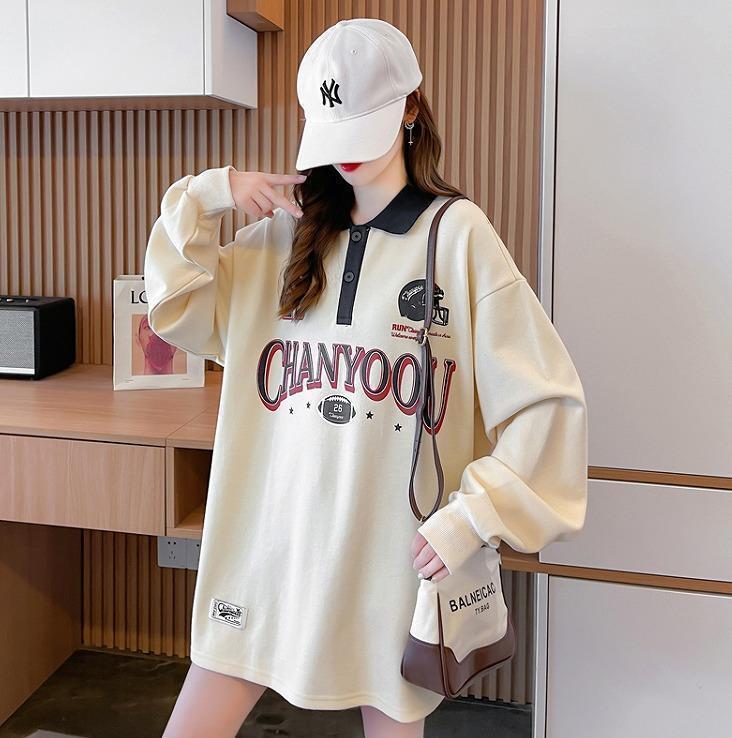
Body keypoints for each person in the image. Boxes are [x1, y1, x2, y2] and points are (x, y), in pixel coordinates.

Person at [143, 17, 588, 738]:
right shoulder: (281, 237)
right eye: (333, 132)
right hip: (266, 549)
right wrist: (210, 193)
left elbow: (548, 403)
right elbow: (177, 309)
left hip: (390, 565)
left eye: (363, 129)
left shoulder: (456, 237)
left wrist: (472, 517)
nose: (345, 155)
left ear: (411, 109)